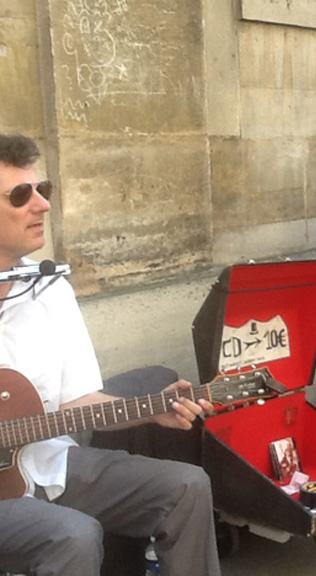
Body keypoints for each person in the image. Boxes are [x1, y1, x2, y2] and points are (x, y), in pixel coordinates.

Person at [0, 134, 221, 576]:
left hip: (48, 465)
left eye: (43, 190)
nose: (42, 205)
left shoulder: (50, 290)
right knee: (74, 536)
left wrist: (151, 412)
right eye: (21, 195)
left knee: (187, 486)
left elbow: (78, 402)